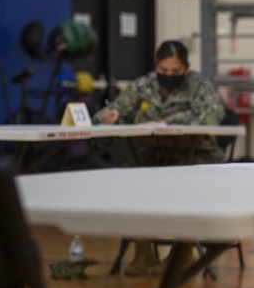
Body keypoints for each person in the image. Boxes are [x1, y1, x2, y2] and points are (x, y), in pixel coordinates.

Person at [93, 39, 226, 276]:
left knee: (183, 184)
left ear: (186, 68)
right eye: (164, 71)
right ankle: (142, 250)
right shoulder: (143, 86)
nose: (169, 75)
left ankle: (181, 254)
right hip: (153, 155)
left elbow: (213, 114)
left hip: (195, 155)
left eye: (175, 71)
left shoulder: (198, 85)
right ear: (156, 66)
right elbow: (109, 112)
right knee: (126, 181)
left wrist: (168, 123)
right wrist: (108, 116)